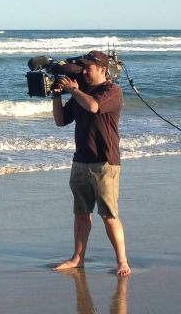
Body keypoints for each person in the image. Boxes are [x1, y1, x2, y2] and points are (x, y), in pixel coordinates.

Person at [52, 50, 131, 277]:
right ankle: (77, 258)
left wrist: (74, 90)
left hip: (105, 161)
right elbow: (60, 121)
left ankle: (122, 261)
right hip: (81, 159)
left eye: (89, 68)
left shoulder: (112, 91)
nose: (84, 71)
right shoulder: (80, 93)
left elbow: (94, 107)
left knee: (109, 214)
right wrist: (57, 96)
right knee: (81, 212)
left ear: (103, 70)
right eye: (83, 67)